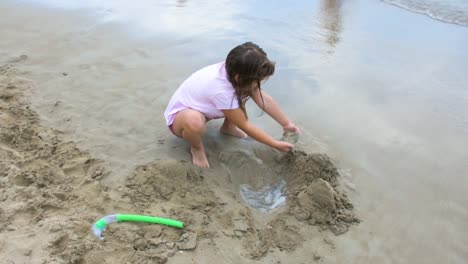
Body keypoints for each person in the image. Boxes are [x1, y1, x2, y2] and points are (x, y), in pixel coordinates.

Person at [164, 42, 301, 168]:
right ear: (238, 77)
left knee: (243, 90)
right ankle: (196, 148)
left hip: (208, 107)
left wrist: (286, 123)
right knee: (194, 122)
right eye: (258, 80)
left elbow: (262, 97)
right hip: (181, 117)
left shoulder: (235, 69)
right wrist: (275, 144)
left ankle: (228, 127)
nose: (259, 84)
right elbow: (245, 125)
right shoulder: (221, 90)